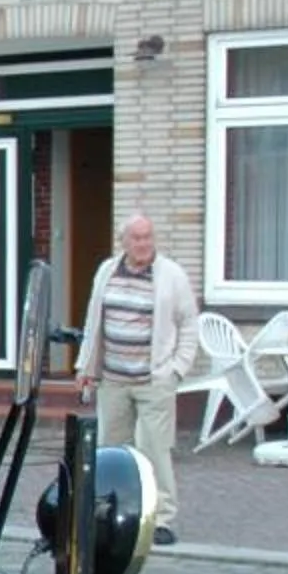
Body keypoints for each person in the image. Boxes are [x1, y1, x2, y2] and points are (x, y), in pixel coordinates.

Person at [75, 213, 199, 545]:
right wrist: (85, 368)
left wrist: (177, 369)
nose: (144, 244)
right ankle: (110, 513)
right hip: (113, 378)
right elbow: (93, 321)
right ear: (123, 242)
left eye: (148, 237)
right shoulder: (107, 271)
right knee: (110, 449)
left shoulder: (172, 276)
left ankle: (162, 519)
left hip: (154, 379)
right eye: (137, 238)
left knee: (155, 450)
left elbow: (189, 324)